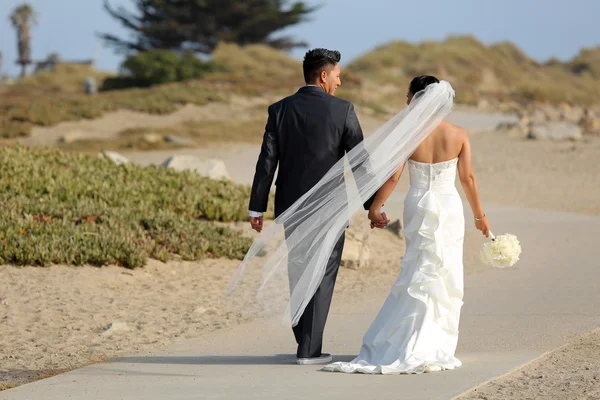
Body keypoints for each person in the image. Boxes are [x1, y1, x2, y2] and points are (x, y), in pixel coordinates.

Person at [322, 75, 491, 374]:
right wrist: (480, 217)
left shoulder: (410, 136)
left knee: (417, 269)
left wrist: (376, 208)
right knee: (446, 269)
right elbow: (467, 179)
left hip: (417, 205)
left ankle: (411, 337)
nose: (406, 101)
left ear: (416, 98)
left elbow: (393, 177)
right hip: (448, 207)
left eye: (408, 96)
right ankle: (437, 342)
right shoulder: (459, 134)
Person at [247, 48, 388, 365]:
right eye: (337, 75)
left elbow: (267, 162)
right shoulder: (343, 111)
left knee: (298, 270)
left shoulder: (279, 110)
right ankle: (308, 350)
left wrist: (257, 207)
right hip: (330, 208)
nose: (340, 82)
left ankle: (305, 339)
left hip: (291, 207)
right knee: (322, 275)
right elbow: (361, 163)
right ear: (323, 75)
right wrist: (372, 205)